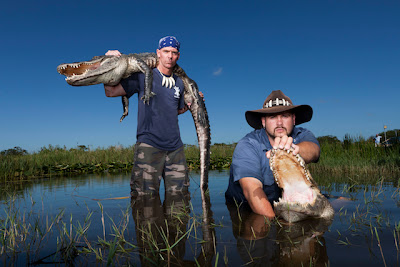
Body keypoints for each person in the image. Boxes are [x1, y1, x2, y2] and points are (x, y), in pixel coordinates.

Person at [104, 36, 192, 197]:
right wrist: (109, 62)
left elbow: (175, 111)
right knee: (144, 199)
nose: (170, 56)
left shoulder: (179, 82)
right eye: (166, 51)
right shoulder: (142, 75)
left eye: (174, 53)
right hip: (149, 146)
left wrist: (189, 105)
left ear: (178, 56)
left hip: (175, 149)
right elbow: (110, 92)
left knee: (180, 199)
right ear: (158, 53)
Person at [225, 90, 320, 218]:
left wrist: (294, 150)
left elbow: (314, 150)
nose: (279, 123)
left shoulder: (302, 134)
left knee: (342, 201)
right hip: (246, 206)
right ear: (263, 122)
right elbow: (251, 191)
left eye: (285, 116)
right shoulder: (247, 144)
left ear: (293, 119)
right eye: (272, 117)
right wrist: (278, 225)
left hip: (282, 201)